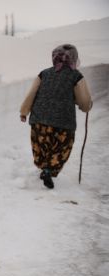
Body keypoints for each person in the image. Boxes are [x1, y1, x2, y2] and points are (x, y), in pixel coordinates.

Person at [20, 44, 93, 189]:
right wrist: (87, 106)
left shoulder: (44, 73)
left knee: (40, 146)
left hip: (39, 119)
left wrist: (24, 111)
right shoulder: (76, 76)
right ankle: (49, 169)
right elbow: (84, 103)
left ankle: (43, 167)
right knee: (60, 148)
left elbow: (31, 94)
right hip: (63, 123)